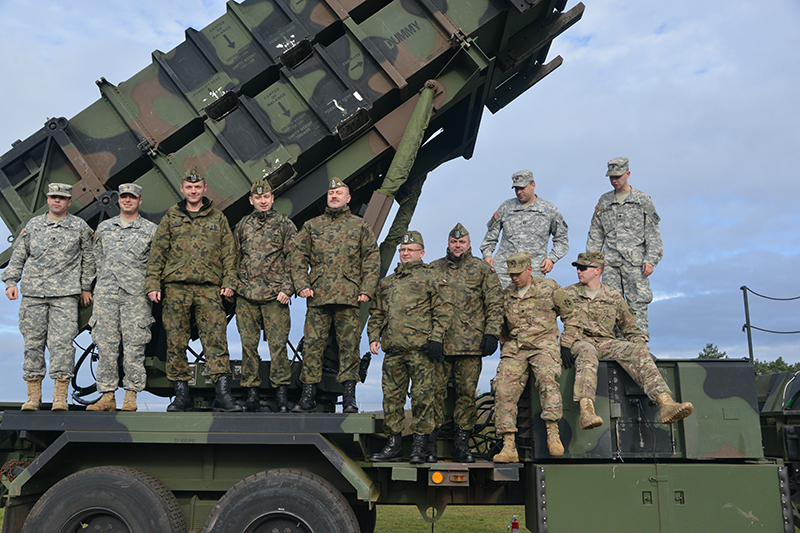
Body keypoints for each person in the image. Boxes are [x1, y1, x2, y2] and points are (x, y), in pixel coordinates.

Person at [144, 168, 241, 412]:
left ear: (205, 189)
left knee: (216, 341)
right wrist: (153, 283)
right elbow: (158, 251)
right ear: (183, 189)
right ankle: (181, 395)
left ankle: (223, 394)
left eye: (197, 187)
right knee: (175, 342)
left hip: (209, 289)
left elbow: (230, 253)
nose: (193, 191)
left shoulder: (218, 218)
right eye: (189, 187)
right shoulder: (171, 217)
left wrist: (229, 282)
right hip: (176, 289)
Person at [561, 252, 692, 431]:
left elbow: (629, 328)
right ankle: (586, 411)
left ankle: (666, 404)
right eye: (577, 268)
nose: (578, 271)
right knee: (587, 352)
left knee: (636, 351)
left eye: (583, 268)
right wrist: (563, 346)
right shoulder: (568, 293)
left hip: (606, 343)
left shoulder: (613, 296)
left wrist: (642, 349)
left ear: (598, 270)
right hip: (579, 341)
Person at [2, 183, 95, 411]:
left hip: (65, 296)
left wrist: (85, 287)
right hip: (34, 294)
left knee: (62, 346)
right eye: (53, 197)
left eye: (62, 198)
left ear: (69, 202)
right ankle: (33, 397)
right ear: (48, 199)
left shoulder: (79, 227)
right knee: (33, 345)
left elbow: (89, 258)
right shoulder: (33, 225)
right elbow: (19, 255)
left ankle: (59, 397)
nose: (57, 201)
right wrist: (11, 282)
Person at [292, 177, 380, 414]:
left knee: (349, 347)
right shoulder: (312, 226)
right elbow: (297, 257)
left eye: (339, 193)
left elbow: (372, 258)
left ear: (348, 198)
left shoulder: (359, 226)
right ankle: (307, 395)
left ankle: (349, 397)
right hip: (318, 297)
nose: (334, 196)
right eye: (331, 193)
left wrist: (366, 289)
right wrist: (302, 284)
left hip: (349, 298)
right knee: (312, 346)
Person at [367, 231, 451, 464]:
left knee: (423, 399)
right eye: (402, 250)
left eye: (410, 250)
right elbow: (377, 313)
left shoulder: (431, 277)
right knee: (391, 400)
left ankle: (419, 445)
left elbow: (443, 311)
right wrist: (374, 336)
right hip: (393, 351)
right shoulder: (388, 283)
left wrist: (436, 338)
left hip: (421, 351)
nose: (405, 254)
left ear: (421, 253)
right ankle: (393, 445)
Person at [429, 223, 502, 463]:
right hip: (440, 344)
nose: (457, 246)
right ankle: (431, 443)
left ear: (469, 244)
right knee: (434, 394)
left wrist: (492, 333)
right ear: (448, 244)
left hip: (471, 346)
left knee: (466, 396)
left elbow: (494, 303)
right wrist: (429, 338)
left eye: (461, 242)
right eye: (453, 242)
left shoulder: (482, 269)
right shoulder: (434, 268)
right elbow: (423, 304)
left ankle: (462, 445)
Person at [492, 252, 571, 462]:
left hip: (543, 343)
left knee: (547, 380)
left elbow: (571, 314)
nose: (514, 278)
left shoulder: (549, 287)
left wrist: (567, 343)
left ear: (529, 269)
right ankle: (508, 445)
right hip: (516, 347)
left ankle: (553, 434)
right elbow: (501, 327)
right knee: (502, 388)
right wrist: (503, 346)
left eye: (518, 273)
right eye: (511, 275)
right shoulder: (507, 294)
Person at [87, 183, 157, 412]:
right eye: (124, 197)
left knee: (134, 346)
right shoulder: (105, 228)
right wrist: (88, 287)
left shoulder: (151, 230)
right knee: (105, 346)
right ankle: (107, 396)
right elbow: (96, 259)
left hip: (135, 296)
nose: (128, 200)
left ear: (140, 201)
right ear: (119, 200)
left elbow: (155, 264)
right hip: (106, 294)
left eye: (132, 197)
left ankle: (131, 397)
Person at [233, 179, 296, 413]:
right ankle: (251, 392)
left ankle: (281, 394)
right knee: (248, 346)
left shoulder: (284, 225)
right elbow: (234, 257)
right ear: (251, 200)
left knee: (278, 346)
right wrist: (233, 286)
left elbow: (295, 259)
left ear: (272, 198)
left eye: (266, 197)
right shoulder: (242, 226)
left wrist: (287, 289)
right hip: (246, 295)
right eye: (258, 197)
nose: (262, 200)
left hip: (275, 296)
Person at [586, 157, 663, 341]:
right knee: (610, 304)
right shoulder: (604, 201)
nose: (614, 180)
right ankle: (615, 345)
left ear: (627, 174)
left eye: (618, 176)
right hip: (610, 263)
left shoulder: (642, 199)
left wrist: (651, 259)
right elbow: (596, 233)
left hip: (636, 263)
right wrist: (591, 264)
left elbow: (652, 233)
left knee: (637, 303)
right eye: (611, 177)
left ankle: (638, 344)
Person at [480, 169, 569, 288]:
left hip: (533, 272)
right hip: (504, 272)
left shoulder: (549, 210)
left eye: (522, 188)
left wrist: (552, 259)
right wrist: (487, 255)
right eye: (516, 189)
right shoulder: (506, 207)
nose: (519, 192)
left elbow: (562, 240)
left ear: (533, 185)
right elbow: (491, 235)